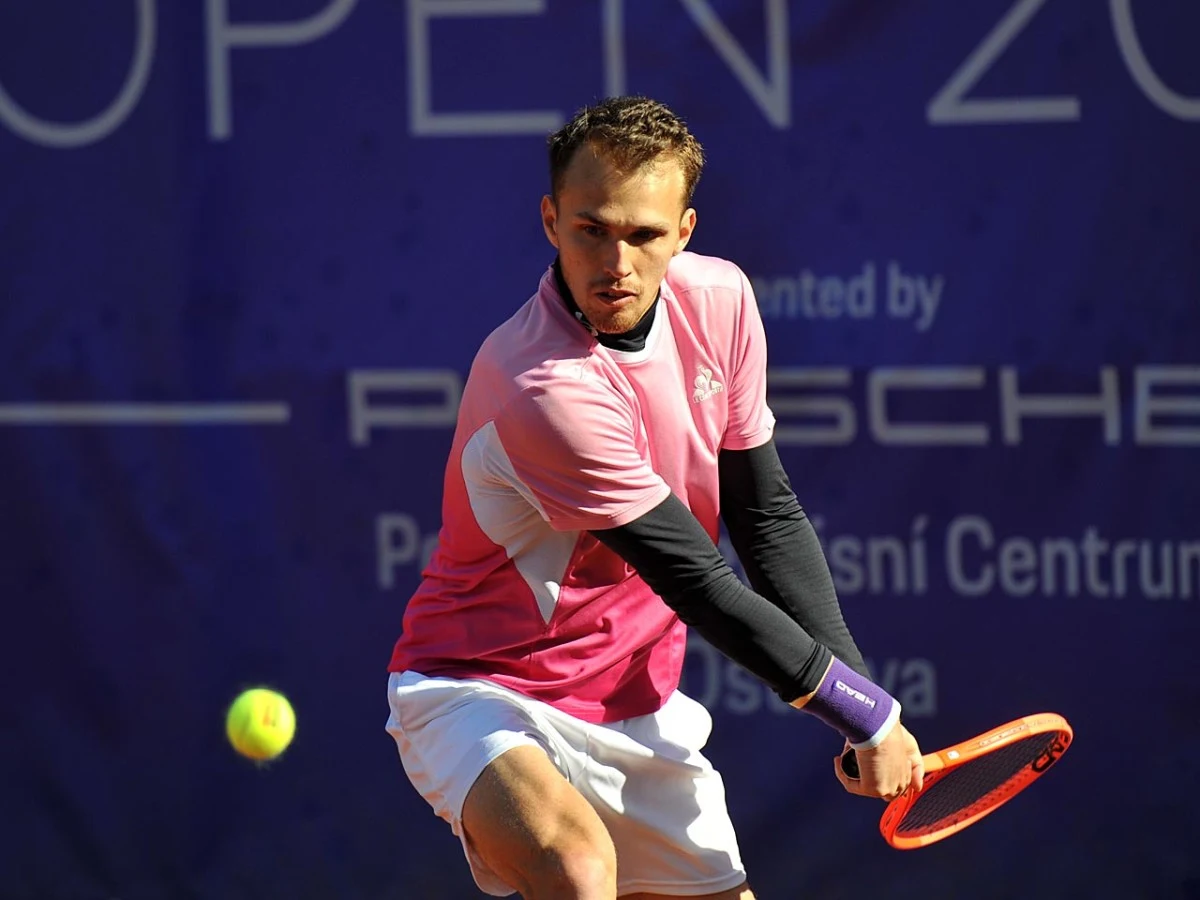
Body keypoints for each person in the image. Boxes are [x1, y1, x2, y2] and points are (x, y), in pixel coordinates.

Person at [385, 95, 924, 900]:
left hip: (637, 703)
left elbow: (765, 514)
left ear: (684, 232)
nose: (616, 263)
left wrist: (861, 703)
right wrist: (866, 714)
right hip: (481, 688)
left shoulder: (722, 301)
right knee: (576, 868)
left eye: (643, 235)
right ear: (550, 221)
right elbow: (698, 581)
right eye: (591, 230)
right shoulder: (544, 385)